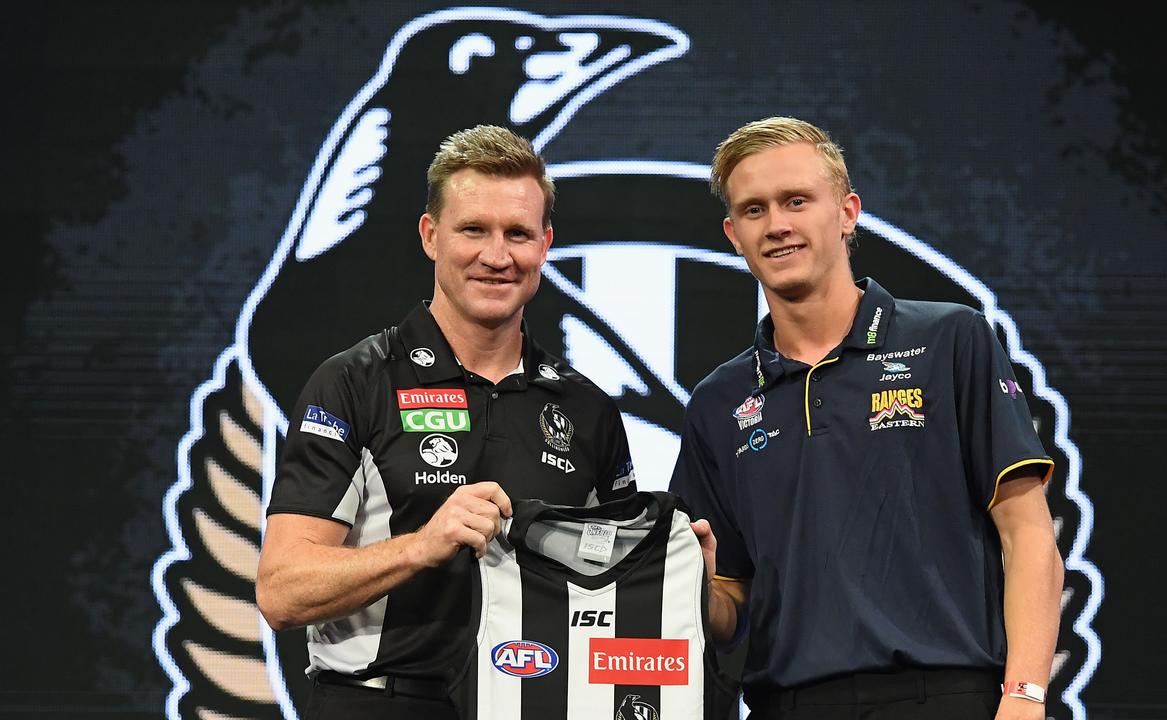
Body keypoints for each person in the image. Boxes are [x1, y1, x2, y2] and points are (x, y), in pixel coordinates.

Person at [671, 117, 1064, 720]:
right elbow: (731, 600)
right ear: (732, 233)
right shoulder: (718, 402)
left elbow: (1029, 533)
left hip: (947, 695)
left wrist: (1026, 697)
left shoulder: (950, 341)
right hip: (787, 704)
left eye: (796, 201)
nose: (777, 225)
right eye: (754, 210)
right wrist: (692, 585)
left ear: (848, 212)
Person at [256, 125, 637, 720]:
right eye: (473, 230)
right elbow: (281, 589)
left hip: (541, 704)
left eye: (518, 234)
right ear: (431, 236)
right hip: (380, 703)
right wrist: (420, 548)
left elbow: (615, 590)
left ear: (545, 245)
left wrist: (680, 566)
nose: (497, 255)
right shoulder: (356, 383)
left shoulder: (587, 409)